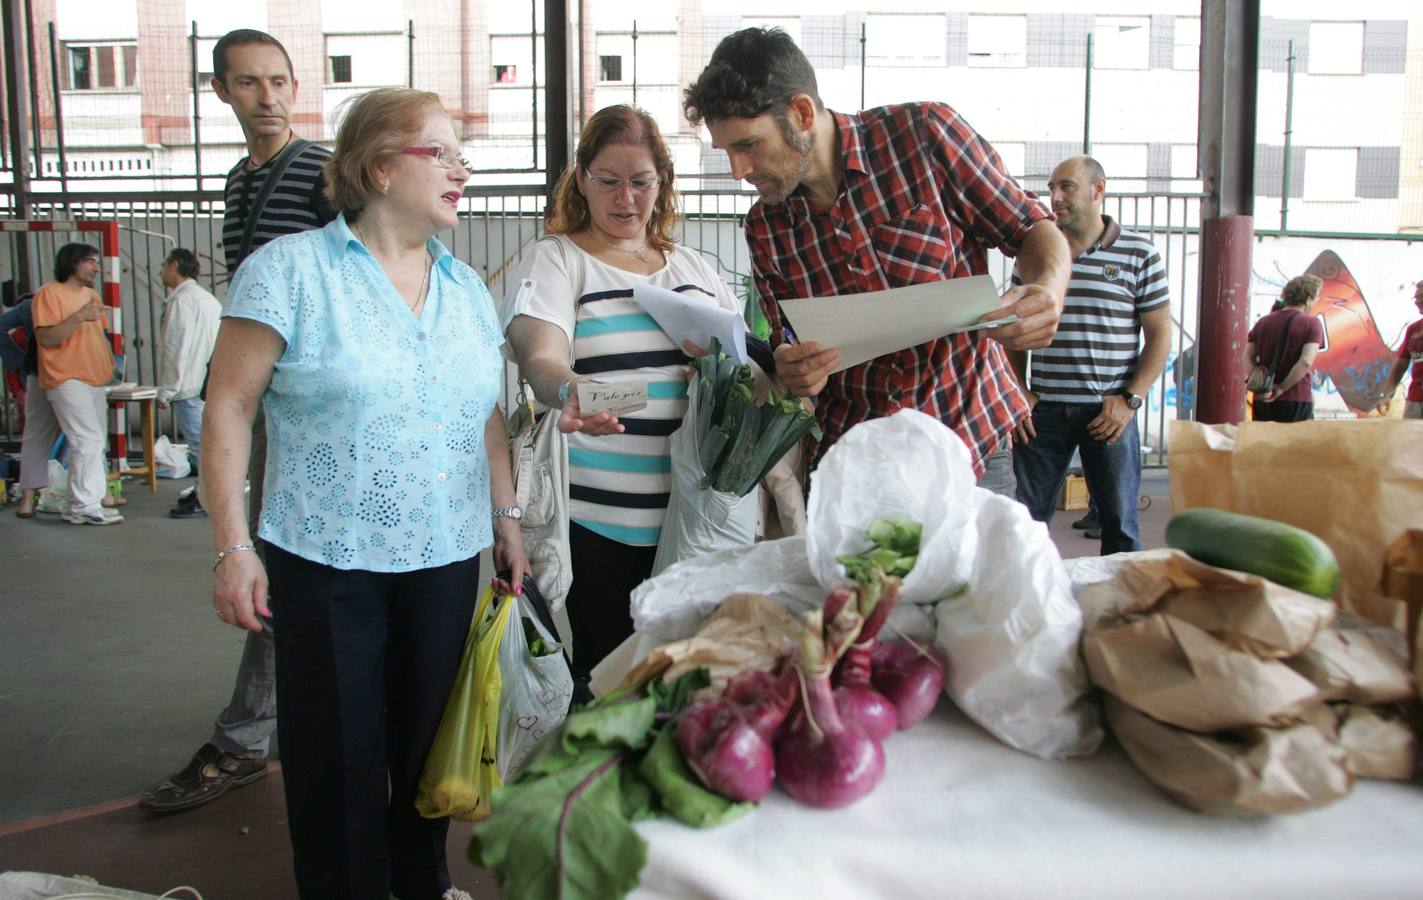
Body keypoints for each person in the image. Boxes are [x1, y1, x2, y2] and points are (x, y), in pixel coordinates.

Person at [206, 87, 524, 900]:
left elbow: (484, 412)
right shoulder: (289, 270)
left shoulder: (462, 288)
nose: (462, 170)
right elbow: (230, 405)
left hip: (446, 553)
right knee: (336, 754)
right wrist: (233, 547)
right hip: (326, 556)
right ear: (380, 166)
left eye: (461, 155)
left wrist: (505, 514)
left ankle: (420, 885)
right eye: (441, 153)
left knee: (427, 748)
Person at [682, 27, 1071, 493]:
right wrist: (793, 367)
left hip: (970, 443)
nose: (738, 171)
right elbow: (788, 338)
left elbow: (1030, 227)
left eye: (748, 146)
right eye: (727, 152)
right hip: (857, 468)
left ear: (802, 113)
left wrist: (1048, 290)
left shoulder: (925, 136)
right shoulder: (765, 227)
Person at [141, 29, 334, 814]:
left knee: (287, 560)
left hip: (310, 400)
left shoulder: (321, 169)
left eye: (280, 81)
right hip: (261, 401)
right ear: (221, 91)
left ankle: (250, 735)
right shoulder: (235, 181)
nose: (269, 98)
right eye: (250, 84)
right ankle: (258, 731)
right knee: (278, 560)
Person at [504, 104, 747, 678]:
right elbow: (540, 355)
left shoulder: (693, 265)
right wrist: (571, 390)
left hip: (696, 513)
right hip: (602, 519)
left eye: (640, 182)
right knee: (611, 669)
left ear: (661, 183)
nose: (625, 199)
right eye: (607, 181)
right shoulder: (559, 259)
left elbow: (743, 365)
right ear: (581, 179)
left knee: (689, 670)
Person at [1009, 156, 1172, 555]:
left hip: (1109, 414)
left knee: (1119, 526)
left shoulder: (1139, 254)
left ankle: (1120, 612)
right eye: (1051, 188)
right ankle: (1031, 609)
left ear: (1098, 190)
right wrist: (1020, 393)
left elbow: (1160, 335)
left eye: (1066, 186)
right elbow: (1014, 332)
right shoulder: (1036, 257)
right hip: (1042, 412)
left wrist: (1130, 399)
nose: (1055, 197)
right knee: (1026, 526)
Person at [31, 243, 120, 526]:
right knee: (87, 440)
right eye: (90, 262)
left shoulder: (92, 296)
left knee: (94, 442)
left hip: (94, 379)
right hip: (66, 378)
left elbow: (98, 337)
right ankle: (84, 505)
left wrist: (109, 365)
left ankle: (82, 501)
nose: (96, 268)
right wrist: (79, 316)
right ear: (72, 263)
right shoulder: (48, 295)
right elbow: (46, 338)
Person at [157, 248, 221, 491]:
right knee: (209, 444)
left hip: (188, 386)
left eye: (164, 266)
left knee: (200, 446)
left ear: (174, 265)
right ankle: (207, 493)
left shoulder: (182, 301)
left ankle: (206, 496)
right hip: (207, 384)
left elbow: (175, 348)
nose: (161, 272)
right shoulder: (208, 300)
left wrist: (167, 390)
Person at [1243, 274, 1324, 423]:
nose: (1316, 302)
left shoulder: (1263, 323)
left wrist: (1262, 385)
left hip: (1263, 399)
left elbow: (1247, 357)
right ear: (1307, 298)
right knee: (1296, 445)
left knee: (1264, 444)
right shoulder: (1312, 324)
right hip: (1296, 399)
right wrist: (1281, 388)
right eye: (1316, 298)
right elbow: (1306, 361)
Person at [1378, 279, 1423, 419]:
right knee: (1409, 440)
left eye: (1422, 296)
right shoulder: (1413, 329)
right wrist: (1386, 395)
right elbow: (1400, 365)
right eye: (1416, 297)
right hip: (1415, 401)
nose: (1417, 301)